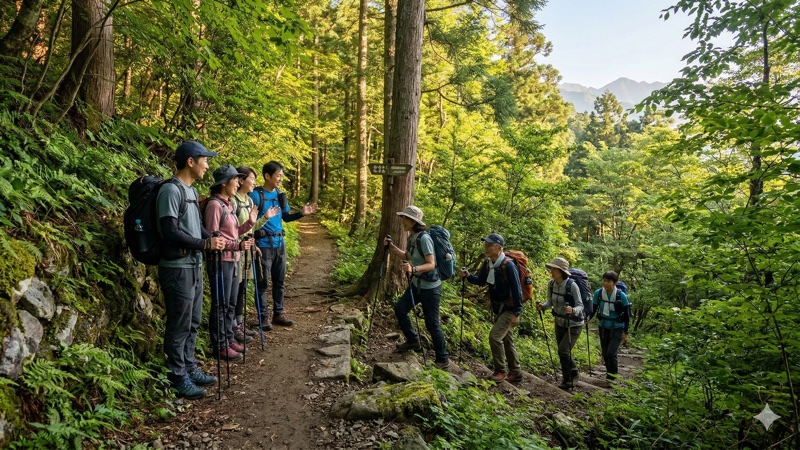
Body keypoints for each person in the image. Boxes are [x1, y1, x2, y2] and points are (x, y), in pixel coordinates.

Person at [156, 141, 225, 399]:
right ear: (190, 161)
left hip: (194, 265)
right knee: (180, 322)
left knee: (193, 321)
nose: (208, 165)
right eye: (205, 159)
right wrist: (205, 243)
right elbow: (169, 231)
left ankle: (189, 366)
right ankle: (177, 375)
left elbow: (196, 228)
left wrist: (214, 240)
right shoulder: (171, 191)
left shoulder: (192, 192)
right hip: (177, 268)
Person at [249, 161, 318, 329]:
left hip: (280, 243)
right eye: (278, 175)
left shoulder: (280, 194)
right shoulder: (256, 195)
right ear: (267, 176)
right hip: (263, 244)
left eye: (281, 175)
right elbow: (248, 221)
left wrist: (302, 213)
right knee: (263, 282)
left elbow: (286, 217)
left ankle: (278, 314)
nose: (281, 179)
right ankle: (263, 317)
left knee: (279, 282)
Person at [203, 165, 261, 361]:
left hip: (233, 260)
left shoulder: (228, 204)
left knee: (230, 304)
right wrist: (237, 246)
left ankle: (228, 339)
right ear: (224, 183)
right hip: (220, 262)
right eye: (235, 180)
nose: (238, 183)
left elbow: (234, 234)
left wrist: (250, 223)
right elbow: (213, 238)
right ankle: (219, 344)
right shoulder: (214, 206)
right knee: (221, 304)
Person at [384, 205, 450, 370]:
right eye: (403, 217)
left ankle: (442, 359)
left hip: (431, 288)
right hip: (417, 284)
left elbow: (431, 264)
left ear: (414, 221)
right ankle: (413, 341)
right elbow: (408, 256)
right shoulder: (412, 237)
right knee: (400, 309)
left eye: (405, 218)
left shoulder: (425, 239)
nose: (403, 221)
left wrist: (413, 269)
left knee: (432, 323)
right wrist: (392, 247)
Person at [459, 233, 523, 383]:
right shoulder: (488, 263)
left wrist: (517, 313)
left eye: (489, 245)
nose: (486, 247)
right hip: (497, 308)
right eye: (486, 244)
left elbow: (517, 290)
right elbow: (481, 281)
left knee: (494, 337)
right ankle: (516, 372)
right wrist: (468, 275)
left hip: (509, 308)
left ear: (499, 248)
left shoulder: (509, 265)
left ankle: (501, 371)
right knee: (506, 340)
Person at [232, 166, 280, 343]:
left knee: (242, 287)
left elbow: (251, 227)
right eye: (252, 178)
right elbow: (232, 230)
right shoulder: (233, 201)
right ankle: (233, 327)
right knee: (235, 288)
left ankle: (238, 323)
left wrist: (265, 217)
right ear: (242, 180)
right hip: (235, 251)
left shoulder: (249, 202)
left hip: (247, 251)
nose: (254, 182)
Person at [536, 257, 583, 390]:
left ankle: (573, 374)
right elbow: (550, 302)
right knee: (563, 352)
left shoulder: (571, 285)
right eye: (551, 268)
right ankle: (566, 379)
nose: (551, 271)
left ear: (561, 271)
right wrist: (542, 307)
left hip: (573, 323)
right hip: (559, 322)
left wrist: (572, 310)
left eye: (554, 269)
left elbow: (580, 306)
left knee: (563, 350)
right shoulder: (551, 284)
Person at [587, 271, 630, 379]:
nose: (605, 283)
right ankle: (609, 372)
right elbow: (594, 308)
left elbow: (627, 315)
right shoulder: (599, 293)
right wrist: (587, 318)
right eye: (604, 280)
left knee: (611, 353)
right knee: (605, 353)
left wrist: (625, 332)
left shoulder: (621, 295)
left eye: (608, 281)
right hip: (603, 326)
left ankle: (612, 377)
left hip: (617, 327)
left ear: (614, 283)